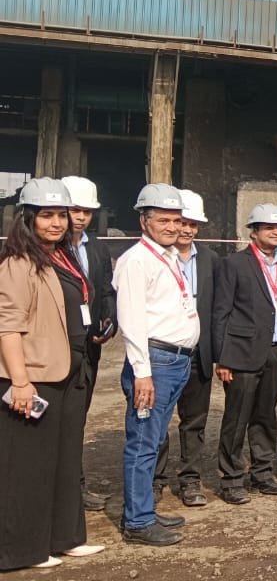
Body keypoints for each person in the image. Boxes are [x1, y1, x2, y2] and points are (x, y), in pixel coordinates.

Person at [0, 178, 104, 570]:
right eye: (46, 215)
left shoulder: (63, 257)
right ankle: (23, 550)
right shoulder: (18, 263)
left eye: (61, 215)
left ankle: (65, 537)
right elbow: (7, 326)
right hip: (36, 375)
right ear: (27, 218)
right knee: (29, 465)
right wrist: (20, 381)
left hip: (71, 370)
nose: (57, 223)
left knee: (65, 459)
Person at [114, 183, 199, 545]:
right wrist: (142, 373)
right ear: (144, 221)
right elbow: (132, 321)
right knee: (144, 442)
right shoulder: (137, 260)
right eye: (163, 220)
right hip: (156, 362)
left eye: (176, 220)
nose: (172, 227)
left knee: (155, 438)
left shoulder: (168, 256)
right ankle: (137, 521)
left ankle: (142, 510)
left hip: (175, 361)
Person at [211, 204, 277, 505]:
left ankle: (262, 472)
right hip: (242, 353)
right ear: (254, 232)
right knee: (237, 418)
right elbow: (221, 312)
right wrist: (222, 357)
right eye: (269, 227)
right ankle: (232, 479)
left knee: (265, 415)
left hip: (276, 349)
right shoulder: (234, 264)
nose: (276, 232)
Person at [155, 189, 220, 507]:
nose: (187, 230)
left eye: (193, 225)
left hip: (198, 354)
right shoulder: (156, 258)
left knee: (194, 421)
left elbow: (218, 309)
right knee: (157, 421)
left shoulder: (210, 260)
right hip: (164, 354)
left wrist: (218, 353)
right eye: (183, 223)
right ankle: (155, 479)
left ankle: (190, 479)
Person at [60, 175, 116, 512]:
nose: (80, 217)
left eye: (86, 211)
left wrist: (109, 320)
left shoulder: (97, 249)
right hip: (56, 349)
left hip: (88, 350)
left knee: (77, 419)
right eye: (74, 210)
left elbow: (106, 291)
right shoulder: (49, 250)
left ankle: (74, 487)